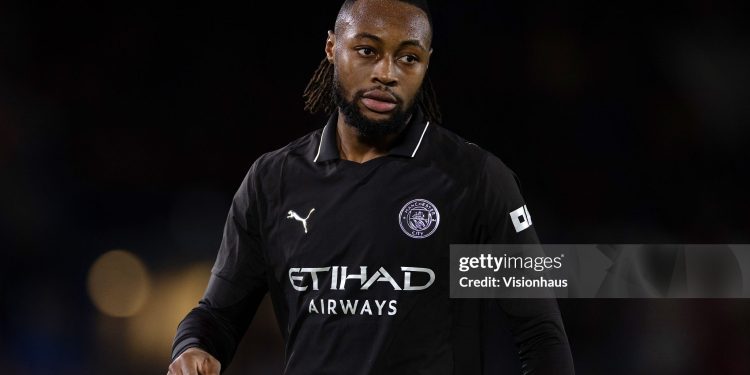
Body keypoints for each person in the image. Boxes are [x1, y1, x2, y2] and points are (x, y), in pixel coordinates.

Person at [167, 0, 575, 374]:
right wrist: (193, 346)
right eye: (367, 51)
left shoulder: (475, 179)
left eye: (408, 58)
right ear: (332, 48)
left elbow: (540, 336)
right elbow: (218, 315)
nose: (387, 73)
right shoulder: (273, 181)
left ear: (426, 63)